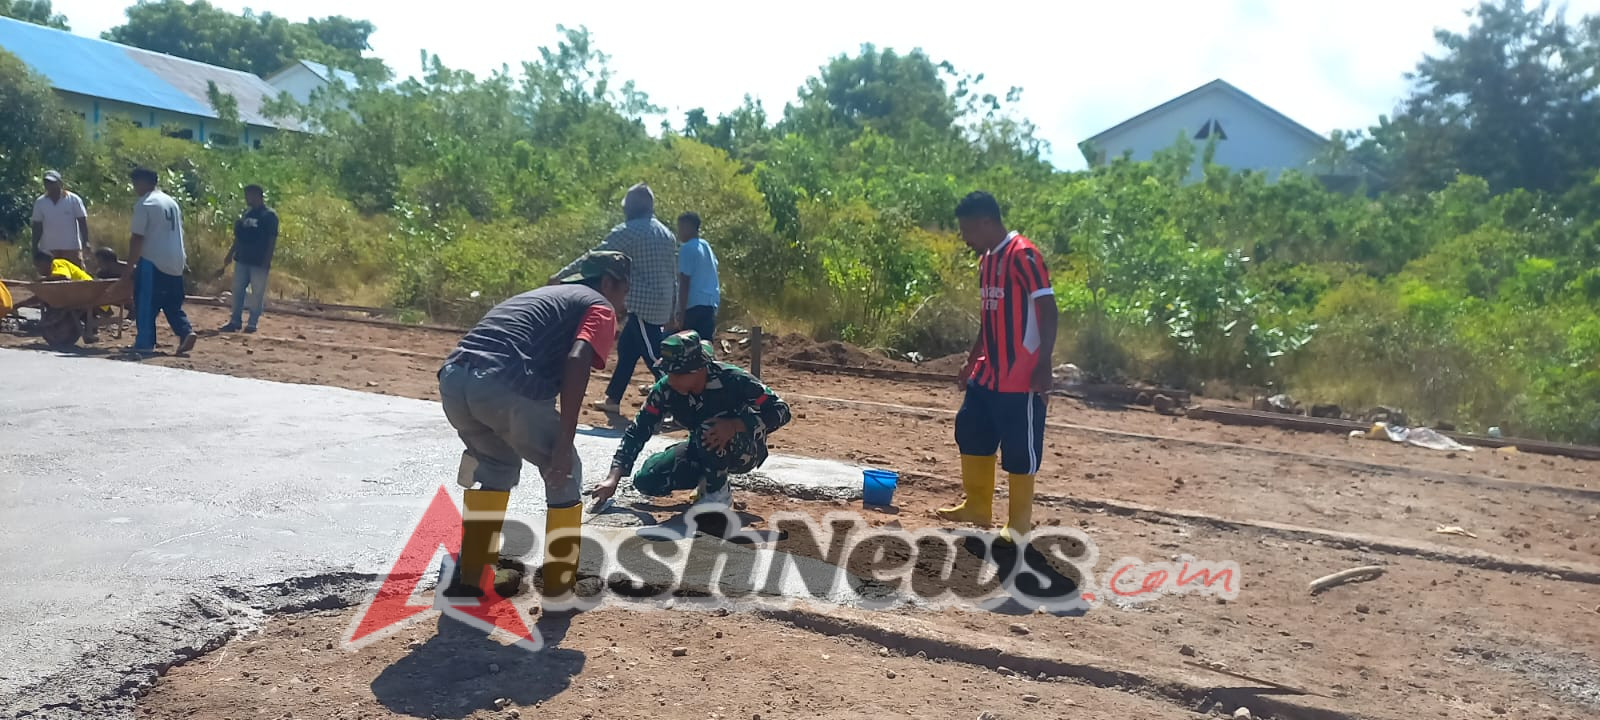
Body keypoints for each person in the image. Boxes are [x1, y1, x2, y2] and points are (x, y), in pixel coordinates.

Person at [438, 250, 631, 600]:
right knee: (565, 468)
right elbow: (578, 358)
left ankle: (474, 576)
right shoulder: (599, 306)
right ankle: (561, 583)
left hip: (454, 380)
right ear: (608, 283)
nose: (622, 303)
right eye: (624, 292)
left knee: (496, 467)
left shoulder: (544, 295)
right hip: (503, 384)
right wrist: (562, 441)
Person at [936, 191, 1058, 545]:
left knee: (1020, 449)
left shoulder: (1025, 255)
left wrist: (1045, 364)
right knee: (970, 428)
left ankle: (1018, 526)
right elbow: (989, 318)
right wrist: (973, 359)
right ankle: (977, 506)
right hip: (989, 373)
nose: (964, 238)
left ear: (985, 222)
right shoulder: (987, 260)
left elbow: (1048, 310)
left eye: (966, 230)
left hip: (1022, 376)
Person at [587, 330, 792, 513]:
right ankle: (706, 481)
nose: (671, 379)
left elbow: (781, 411)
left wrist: (736, 425)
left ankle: (717, 496)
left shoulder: (733, 380)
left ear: (698, 369)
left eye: (677, 373)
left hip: (744, 449)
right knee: (648, 480)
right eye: (669, 372)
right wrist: (612, 478)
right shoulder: (665, 390)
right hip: (702, 445)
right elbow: (638, 430)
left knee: (710, 429)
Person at [551, 183, 678, 414]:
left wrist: (560, 276)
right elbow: (673, 274)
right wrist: (673, 308)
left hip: (643, 304)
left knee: (654, 359)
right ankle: (613, 399)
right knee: (628, 350)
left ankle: (681, 406)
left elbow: (594, 258)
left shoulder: (628, 231)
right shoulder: (666, 233)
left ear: (631, 207)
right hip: (661, 302)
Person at [121, 167, 196, 356]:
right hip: (176, 260)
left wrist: (130, 267)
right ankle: (185, 331)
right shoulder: (171, 202)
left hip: (153, 260)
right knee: (172, 304)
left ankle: (145, 342)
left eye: (136, 183)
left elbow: (137, 238)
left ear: (144, 182)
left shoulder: (145, 204)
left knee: (146, 302)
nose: (134, 187)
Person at [217, 184, 279, 333]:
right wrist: (230, 254)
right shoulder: (246, 213)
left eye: (249, 195)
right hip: (242, 259)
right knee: (238, 291)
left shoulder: (269, 215)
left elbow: (272, 240)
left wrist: (267, 261)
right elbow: (239, 237)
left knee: (257, 293)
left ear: (258, 195)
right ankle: (235, 320)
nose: (247, 199)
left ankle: (252, 323)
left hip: (258, 261)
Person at [671, 211, 720, 342]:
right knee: (705, 346)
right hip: (709, 304)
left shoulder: (687, 249)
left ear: (689, 227)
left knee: (689, 347)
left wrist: (681, 313)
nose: (679, 231)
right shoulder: (706, 246)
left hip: (693, 307)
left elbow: (685, 282)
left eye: (681, 227)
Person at [31, 170, 89, 267]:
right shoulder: (40, 202)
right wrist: (34, 246)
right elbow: (37, 225)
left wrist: (86, 241)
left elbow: (82, 221)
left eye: (52, 183)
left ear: (60, 183)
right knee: (53, 275)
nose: (49, 186)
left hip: (71, 247)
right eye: (47, 183)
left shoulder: (73, 199)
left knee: (76, 275)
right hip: (49, 249)